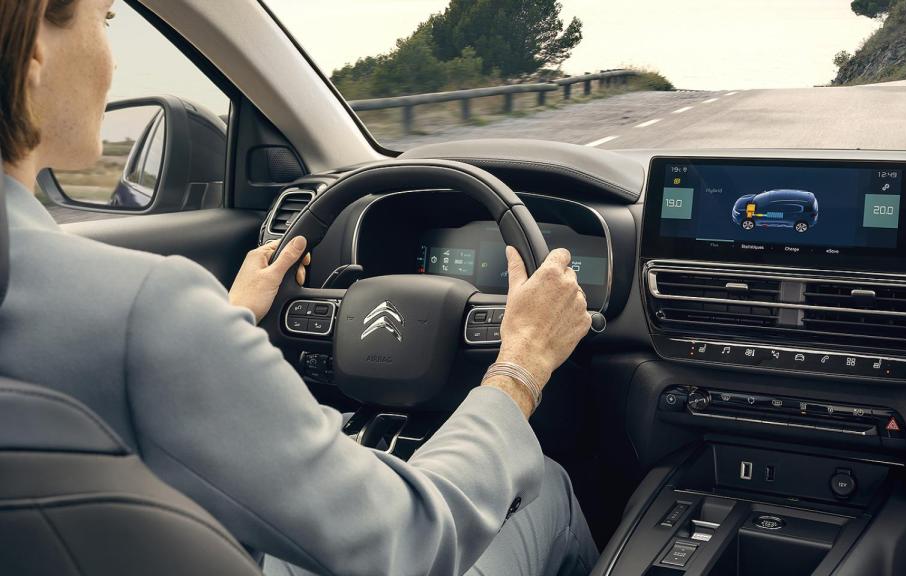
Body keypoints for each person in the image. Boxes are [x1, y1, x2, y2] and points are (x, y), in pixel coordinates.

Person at [0, 1, 599, 575]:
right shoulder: (151, 313)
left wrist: (226, 319)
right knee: (543, 483)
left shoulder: (110, 312)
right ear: (34, 54)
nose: (112, 57)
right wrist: (521, 364)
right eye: (104, 19)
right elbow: (407, 541)